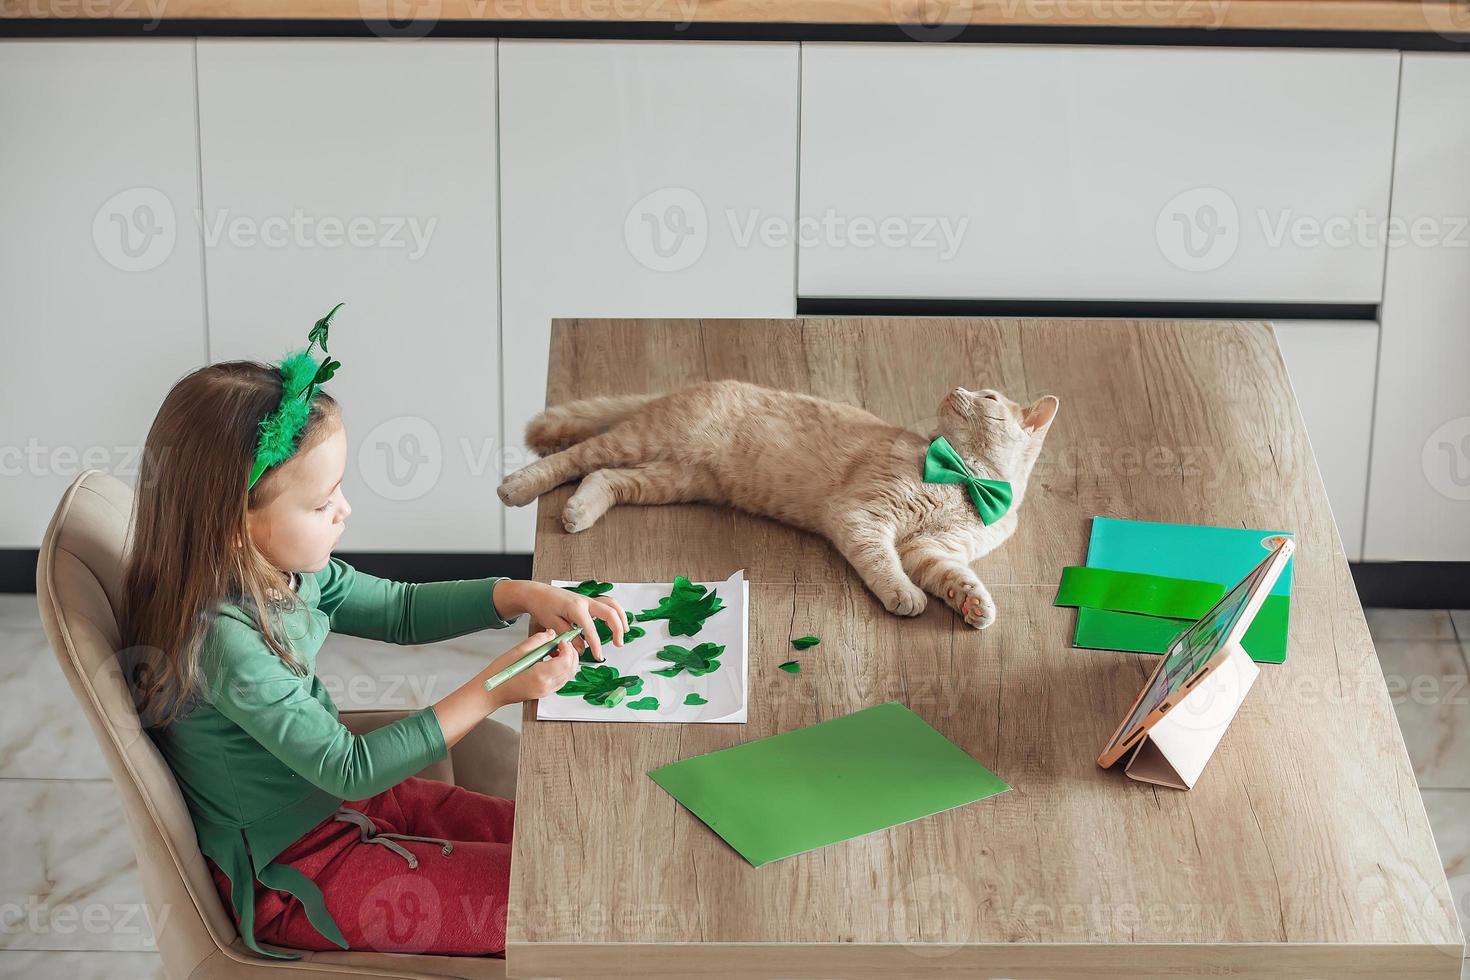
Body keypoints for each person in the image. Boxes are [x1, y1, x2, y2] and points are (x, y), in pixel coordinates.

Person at [118, 305, 625, 958]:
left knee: (577, 852)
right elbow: (347, 766)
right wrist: (496, 686)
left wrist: (520, 593)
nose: (345, 510)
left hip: (348, 811)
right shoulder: (222, 642)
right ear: (235, 521)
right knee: (558, 902)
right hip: (298, 872)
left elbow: (401, 609)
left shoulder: (279, 572)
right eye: (323, 501)